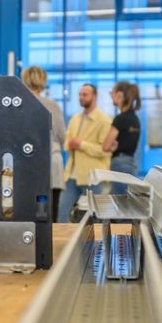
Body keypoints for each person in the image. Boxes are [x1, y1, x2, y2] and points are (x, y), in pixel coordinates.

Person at [59, 83, 112, 223]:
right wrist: (69, 144)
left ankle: (96, 245)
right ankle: (62, 245)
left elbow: (105, 151)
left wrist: (81, 144)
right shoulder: (75, 119)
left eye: (85, 94)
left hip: (93, 177)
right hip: (71, 175)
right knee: (62, 214)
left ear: (94, 96)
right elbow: (66, 142)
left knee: (95, 219)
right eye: (80, 94)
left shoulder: (104, 120)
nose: (81, 97)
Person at [21, 66, 66, 221]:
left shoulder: (20, 104)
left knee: (28, 210)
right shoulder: (52, 106)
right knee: (50, 213)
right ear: (43, 81)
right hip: (51, 161)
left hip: (26, 163)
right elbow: (62, 136)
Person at [103, 81, 141, 193]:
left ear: (119, 95)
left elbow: (105, 146)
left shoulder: (120, 119)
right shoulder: (135, 119)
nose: (111, 96)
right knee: (125, 200)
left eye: (112, 93)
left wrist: (112, 147)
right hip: (131, 163)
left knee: (119, 203)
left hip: (119, 164)